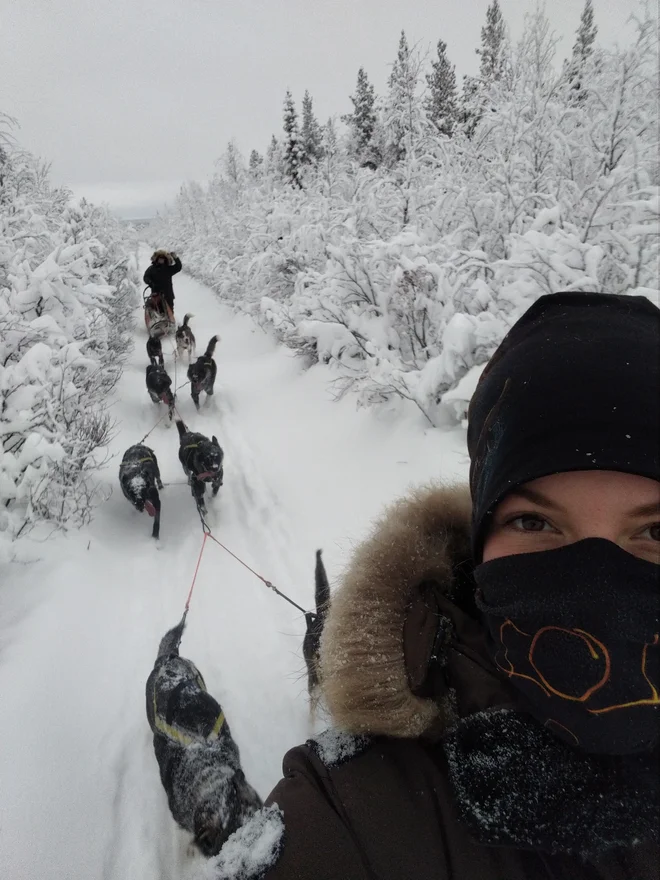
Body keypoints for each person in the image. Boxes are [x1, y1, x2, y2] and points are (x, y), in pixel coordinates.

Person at [202, 292, 660, 880]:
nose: (595, 579)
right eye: (534, 521)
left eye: (653, 528)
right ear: (481, 540)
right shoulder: (352, 814)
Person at [143, 249, 182, 321]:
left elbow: (178, 267)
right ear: (156, 259)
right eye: (160, 259)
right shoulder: (151, 269)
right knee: (158, 310)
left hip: (168, 294)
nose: (161, 261)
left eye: (163, 259)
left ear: (165, 260)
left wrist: (176, 258)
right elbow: (145, 277)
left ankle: (170, 324)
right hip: (156, 294)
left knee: (169, 311)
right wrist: (150, 282)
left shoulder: (168, 269)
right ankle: (159, 325)